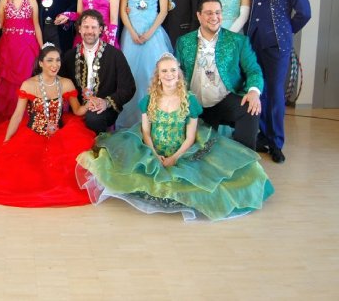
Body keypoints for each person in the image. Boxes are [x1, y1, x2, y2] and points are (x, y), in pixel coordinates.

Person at [76, 53, 274, 221]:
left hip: (181, 150)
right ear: (158, 75)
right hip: (153, 148)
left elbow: (190, 137)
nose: (169, 74)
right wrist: (154, 154)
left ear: (178, 74)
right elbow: (146, 132)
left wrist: (174, 158)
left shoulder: (189, 101)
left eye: (173, 70)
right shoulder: (149, 100)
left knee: (209, 180)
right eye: (164, 71)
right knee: (118, 166)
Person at [0, 45, 95, 207]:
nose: (55, 65)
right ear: (41, 63)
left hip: (59, 134)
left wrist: (90, 103)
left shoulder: (66, 83)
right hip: (33, 133)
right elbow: (17, 115)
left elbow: (77, 110)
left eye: (57, 60)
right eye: (50, 60)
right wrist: (7, 140)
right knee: (18, 172)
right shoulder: (29, 85)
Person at [248, 0, 311, 163]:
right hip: (254, 42)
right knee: (260, 90)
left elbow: (304, 12)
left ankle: (276, 142)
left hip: (277, 45)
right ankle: (263, 135)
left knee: (275, 93)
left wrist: (286, 31)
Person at [175, 0, 263, 150]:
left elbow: (253, 70)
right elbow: (177, 73)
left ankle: (243, 159)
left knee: (251, 109)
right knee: (199, 153)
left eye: (218, 12)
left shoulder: (237, 41)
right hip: (193, 103)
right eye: (209, 13)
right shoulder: (184, 41)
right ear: (199, 16)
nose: (214, 17)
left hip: (224, 100)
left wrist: (254, 91)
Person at [116, 0, 173, 129]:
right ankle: (130, 121)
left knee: (152, 75)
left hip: (152, 33)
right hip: (131, 34)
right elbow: (122, 10)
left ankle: (154, 120)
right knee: (131, 74)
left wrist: (149, 33)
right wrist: (132, 32)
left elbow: (163, 11)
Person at [61, 10, 136, 134]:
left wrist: (106, 102)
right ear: (79, 29)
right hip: (78, 107)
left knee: (93, 118)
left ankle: (97, 145)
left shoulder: (115, 55)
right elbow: (61, 83)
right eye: (86, 27)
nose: (90, 31)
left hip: (104, 109)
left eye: (94, 27)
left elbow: (129, 88)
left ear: (101, 29)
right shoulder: (69, 56)